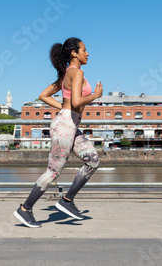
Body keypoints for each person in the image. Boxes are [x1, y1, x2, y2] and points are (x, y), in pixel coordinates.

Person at [14, 37, 103, 228]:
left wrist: (64, 107)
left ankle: (67, 201)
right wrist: (95, 96)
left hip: (70, 125)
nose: (87, 53)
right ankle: (25, 209)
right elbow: (77, 102)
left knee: (93, 160)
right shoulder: (77, 72)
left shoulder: (67, 74)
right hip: (64, 126)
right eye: (84, 50)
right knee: (53, 172)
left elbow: (44, 95)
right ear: (74, 53)